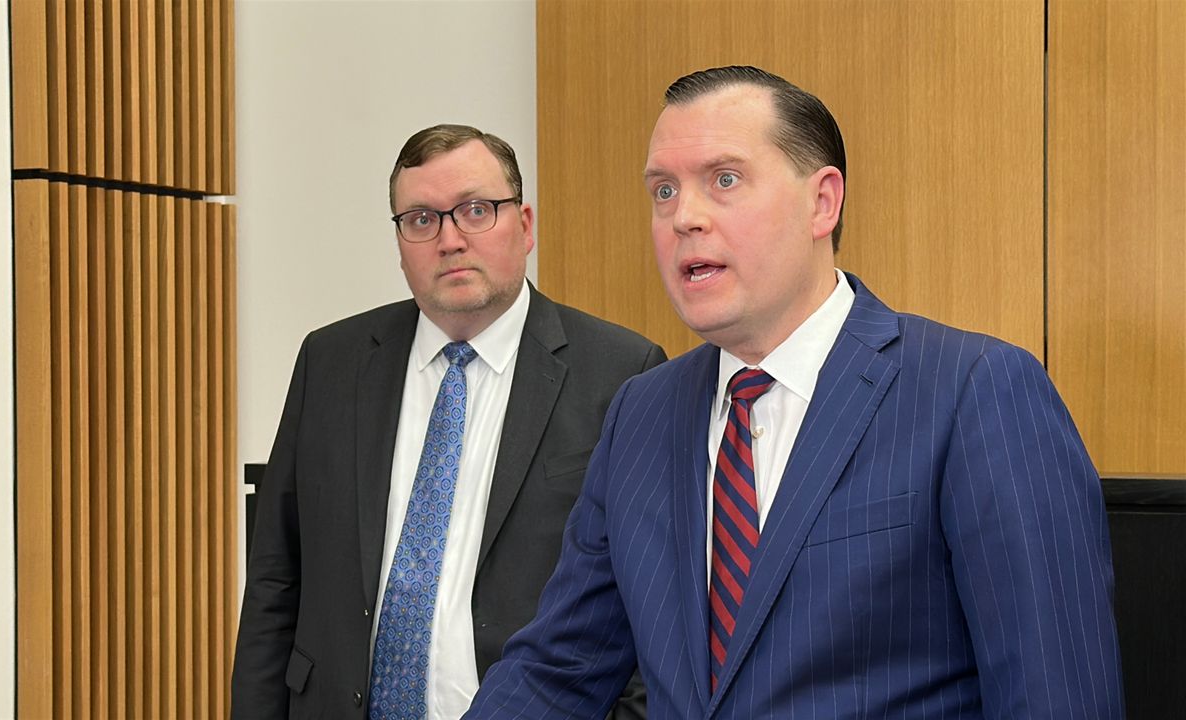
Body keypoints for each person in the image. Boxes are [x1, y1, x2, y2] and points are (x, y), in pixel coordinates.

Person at [465, 66, 1123, 718]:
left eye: (724, 180)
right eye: (664, 190)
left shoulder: (975, 391)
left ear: (822, 202)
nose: (684, 216)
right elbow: (558, 671)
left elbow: (1056, 697)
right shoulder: (639, 413)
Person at [232, 124, 665, 719]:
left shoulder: (622, 373)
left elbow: (652, 603)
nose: (450, 240)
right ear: (400, 242)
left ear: (525, 225)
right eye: (421, 219)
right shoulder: (330, 362)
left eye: (476, 210)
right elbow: (275, 580)